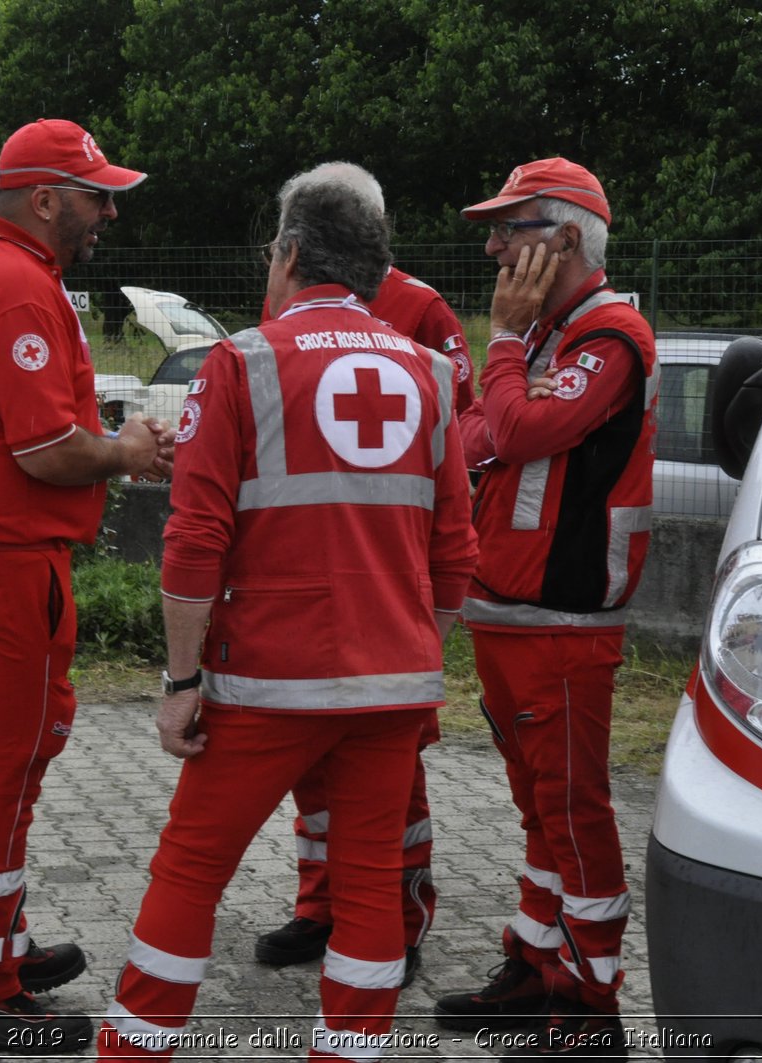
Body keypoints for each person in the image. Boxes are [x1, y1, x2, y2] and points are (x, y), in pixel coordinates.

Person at [97, 163, 478, 1059]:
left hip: (268, 680)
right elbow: (456, 552)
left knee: (190, 871)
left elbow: (195, 542)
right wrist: (421, 657)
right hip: (391, 687)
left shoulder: (240, 361)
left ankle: (135, 1047)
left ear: (292, 253)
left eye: (272, 251)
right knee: (372, 888)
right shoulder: (430, 372)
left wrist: (181, 680)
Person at [0, 117, 174, 1055]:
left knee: (21, 741)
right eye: (99, 195)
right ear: (46, 197)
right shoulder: (17, 287)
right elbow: (50, 452)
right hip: (0, 552)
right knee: (9, 756)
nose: (109, 213)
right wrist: (128, 451)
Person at [432, 157, 657, 1059]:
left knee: (573, 812)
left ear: (565, 237)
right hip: (508, 614)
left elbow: (515, 430)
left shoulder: (608, 336)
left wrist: (501, 351)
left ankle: (593, 1007)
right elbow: (474, 434)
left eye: (511, 226)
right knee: (535, 812)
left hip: (564, 624)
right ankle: (536, 967)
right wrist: (509, 375)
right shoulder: (543, 336)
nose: (493, 244)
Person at [250, 166, 475, 985]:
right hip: (306, 580)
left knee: (392, 774)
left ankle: (398, 914)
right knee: (313, 767)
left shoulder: (422, 309)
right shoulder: (291, 303)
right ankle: (321, 903)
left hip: (387, 577)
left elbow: (462, 421)